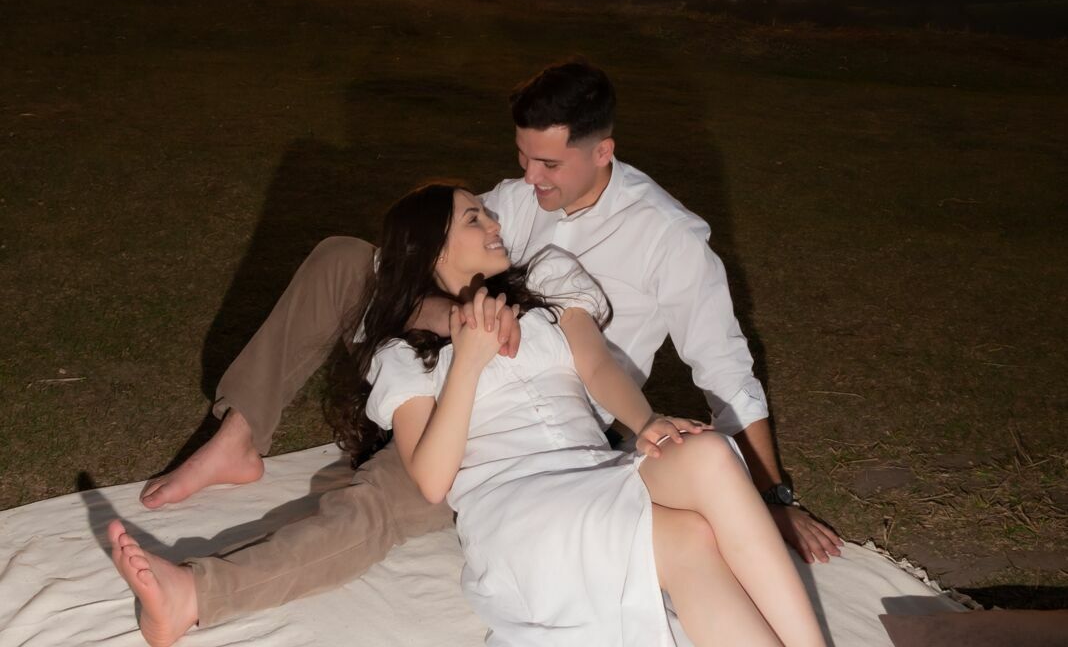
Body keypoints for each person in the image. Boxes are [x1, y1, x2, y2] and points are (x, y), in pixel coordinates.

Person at [108, 61, 841, 644]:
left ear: (602, 153)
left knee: (381, 501)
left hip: (575, 416)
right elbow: (448, 247)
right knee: (341, 260)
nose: (526, 185)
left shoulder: (668, 240)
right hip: (473, 390)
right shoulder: (517, 209)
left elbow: (722, 374)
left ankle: (212, 580)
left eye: (548, 164)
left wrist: (775, 497)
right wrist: (458, 336)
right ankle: (238, 439)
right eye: (521, 160)